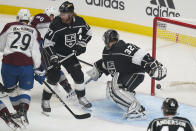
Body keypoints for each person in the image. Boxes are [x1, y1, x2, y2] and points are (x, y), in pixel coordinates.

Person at [87, 29, 167, 119]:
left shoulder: (123, 48)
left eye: (113, 41)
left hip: (135, 73)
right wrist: (99, 67)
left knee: (117, 89)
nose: (112, 43)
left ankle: (137, 109)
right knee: (110, 91)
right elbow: (109, 64)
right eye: (111, 41)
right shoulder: (106, 52)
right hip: (125, 74)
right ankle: (129, 96)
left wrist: (154, 66)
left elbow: (141, 55)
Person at [0, 9, 44, 130]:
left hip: (9, 63)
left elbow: (0, 44)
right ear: (29, 20)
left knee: (11, 90)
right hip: (26, 65)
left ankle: (17, 112)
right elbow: (36, 50)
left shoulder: (10, 26)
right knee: (25, 90)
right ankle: (23, 111)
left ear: (17, 18)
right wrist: (37, 67)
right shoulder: (34, 30)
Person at [43, 1, 92, 108]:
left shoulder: (79, 21)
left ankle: (81, 97)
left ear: (71, 14)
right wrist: (54, 57)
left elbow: (88, 32)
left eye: (64, 14)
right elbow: (47, 43)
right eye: (60, 13)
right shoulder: (56, 23)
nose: (61, 15)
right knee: (53, 77)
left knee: (79, 75)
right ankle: (45, 100)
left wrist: (82, 44)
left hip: (69, 54)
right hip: (56, 53)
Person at [30, 7, 75, 115]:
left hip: (37, 47)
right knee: (50, 68)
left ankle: (63, 87)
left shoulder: (37, 18)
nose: (52, 18)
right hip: (41, 48)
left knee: (50, 68)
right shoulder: (52, 24)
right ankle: (62, 87)